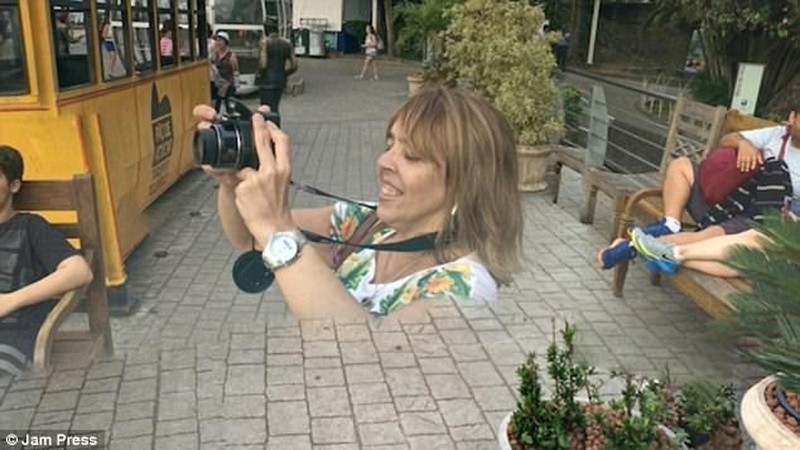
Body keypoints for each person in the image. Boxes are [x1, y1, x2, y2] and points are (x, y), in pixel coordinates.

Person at [196, 86, 523, 320]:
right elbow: (249, 239)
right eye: (390, 145)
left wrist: (277, 227)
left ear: (465, 182)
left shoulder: (464, 292)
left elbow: (362, 356)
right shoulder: (366, 225)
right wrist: (233, 179)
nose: (384, 162)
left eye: (411, 155)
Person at [599, 108, 800, 270]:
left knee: (716, 239)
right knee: (681, 165)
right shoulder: (776, 135)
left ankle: (636, 247)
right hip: (730, 200)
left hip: (759, 218)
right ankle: (670, 224)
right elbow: (726, 140)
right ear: (792, 117)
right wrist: (744, 144)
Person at [0, 146, 93, 375]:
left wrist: (10, 301)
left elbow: (79, 271)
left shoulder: (30, 228)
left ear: (14, 186)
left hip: (10, 338)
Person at [256, 22, 297, 114]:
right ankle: (276, 121)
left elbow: (263, 64)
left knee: (265, 108)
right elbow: (294, 65)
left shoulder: (264, 42)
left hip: (266, 81)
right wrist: (285, 73)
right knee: (275, 106)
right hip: (280, 80)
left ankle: (269, 122)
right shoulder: (287, 43)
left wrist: (259, 73)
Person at [211, 31, 239, 113]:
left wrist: (236, 85)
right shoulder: (215, 54)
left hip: (228, 83)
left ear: (226, 42)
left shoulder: (231, 55)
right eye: (217, 40)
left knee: (229, 107)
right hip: (218, 84)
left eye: (220, 40)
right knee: (216, 107)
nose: (218, 43)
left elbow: (236, 70)